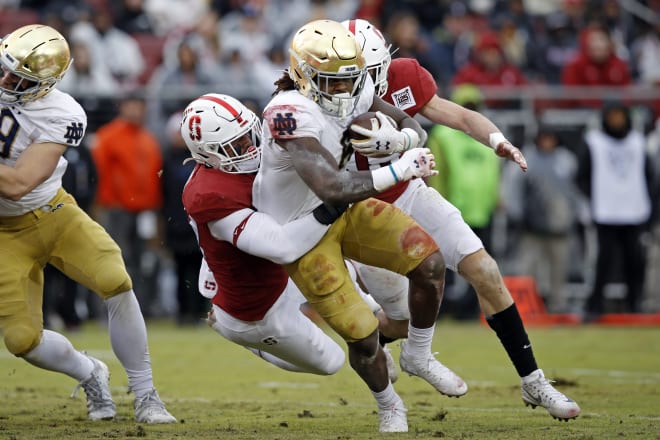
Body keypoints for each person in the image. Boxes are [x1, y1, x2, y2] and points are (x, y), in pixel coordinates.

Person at [341, 18, 580, 421]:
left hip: (411, 194)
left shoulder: (403, 76)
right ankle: (368, 344)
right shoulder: (320, 100)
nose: (363, 81)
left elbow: (462, 116)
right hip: (365, 210)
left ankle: (534, 380)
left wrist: (498, 140)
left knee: (485, 269)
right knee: (399, 322)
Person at [253, 19, 463, 433]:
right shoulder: (286, 114)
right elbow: (329, 185)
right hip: (302, 231)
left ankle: (419, 354)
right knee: (363, 336)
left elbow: (414, 127)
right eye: (331, 81)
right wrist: (399, 169)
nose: (344, 91)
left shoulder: (355, 86)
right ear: (303, 75)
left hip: (346, 211)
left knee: (431, 265)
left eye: (350, 80)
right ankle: (389, 404)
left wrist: (399, 142)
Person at [0, 24, 176, 424]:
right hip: (3, 233)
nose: (7, 81)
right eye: (5, 70)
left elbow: (18, 183)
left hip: (52, 214)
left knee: (116, 280)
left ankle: (146, 394)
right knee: (21, 341)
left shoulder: (61, 111)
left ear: (45, 84)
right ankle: (89, 372)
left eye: (20, 78)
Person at [425, 84, 501, 320]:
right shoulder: (442, 135)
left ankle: (468, 310)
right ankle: (441, 307)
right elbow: (435, 172)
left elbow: (492, 172)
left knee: (477, 266)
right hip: (451, 210)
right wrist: (436, 204)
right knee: (443, 266)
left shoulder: (484, 136)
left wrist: (496, 198)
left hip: (481, 211)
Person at [577, 102, 654, 319]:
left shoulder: (638, 142)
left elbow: (649, 176)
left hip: (634, 210)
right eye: (612, 116)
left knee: (635, 260)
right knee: (603, 261)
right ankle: (595, 306)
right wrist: (595, 197)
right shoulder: (594, 141)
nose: (616, 121)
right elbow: (581, 176)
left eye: (619, 116)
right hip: (605, 211)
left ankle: (634, 304)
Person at [91, 94, 164, 316]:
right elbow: (98, 175)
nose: (135, 111)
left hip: (145, 210)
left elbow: (155, 177)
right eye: (131, 106)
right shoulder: (108, 136)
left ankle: (139, 310)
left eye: (139, 106)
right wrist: (100, 207)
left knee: (143, 262)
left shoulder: (148, 139)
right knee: (115, 260)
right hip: (116, 209)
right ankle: (109, 311)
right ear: (122, 107)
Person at [503, 125, 587, 313]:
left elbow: (575, 190)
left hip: (560, 228)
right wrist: (517, 215)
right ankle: (527, 307)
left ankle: (558, 307)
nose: (547, 143)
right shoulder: (526, 159)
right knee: (528, 269)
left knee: (559, 271)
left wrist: (580, 213)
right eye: (544, 138)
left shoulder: (567, 161)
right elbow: (513, 189)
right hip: (531, 227)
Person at [160, 111, 207, 325]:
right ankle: (183, 312)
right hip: (176, 224)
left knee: (201, 270)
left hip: (198, 224)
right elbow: (162, 195)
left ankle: (200, 311)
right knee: (180, 272)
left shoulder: (202, 157)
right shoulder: (166, 160)